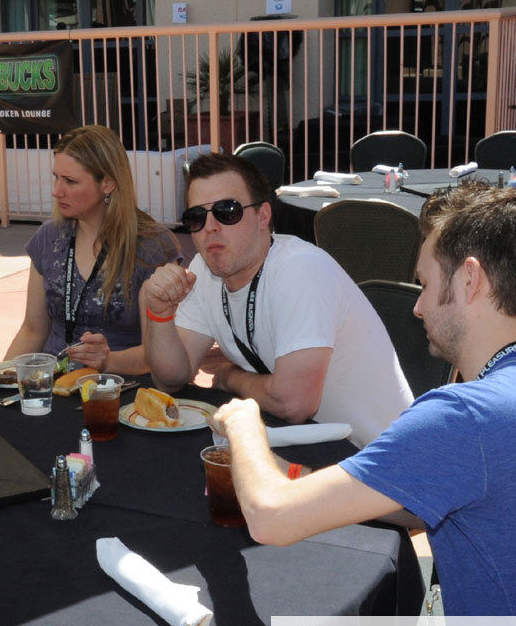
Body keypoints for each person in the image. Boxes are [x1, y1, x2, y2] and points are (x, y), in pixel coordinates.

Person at [211, 183, 516, 626]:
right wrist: (297, 475)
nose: (417, 308)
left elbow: (270, 519)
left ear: (469, 279)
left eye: (425, 284)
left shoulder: (465, 416)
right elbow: (427, 500)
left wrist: (243, 422)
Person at [142, 152, 412, 446]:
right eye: (196, 217)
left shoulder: (300, 269)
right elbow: (172, 378)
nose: (210, 227)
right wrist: (160, 314)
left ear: (263, 216)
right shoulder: (204, 272)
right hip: (307, 443)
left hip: (375, 456)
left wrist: (230, 377)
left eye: (227, 211)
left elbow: (294, 404)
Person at [4, 124, 179, 373]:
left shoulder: (151, 247)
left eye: (70, 181)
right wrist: (0, 377)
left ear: (107, 183)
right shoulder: (49, 237)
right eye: (56, 177)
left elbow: (156, 355)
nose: (57, 191)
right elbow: (32, 330)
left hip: (121, 388)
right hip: (53, 384)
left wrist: (108, 360)